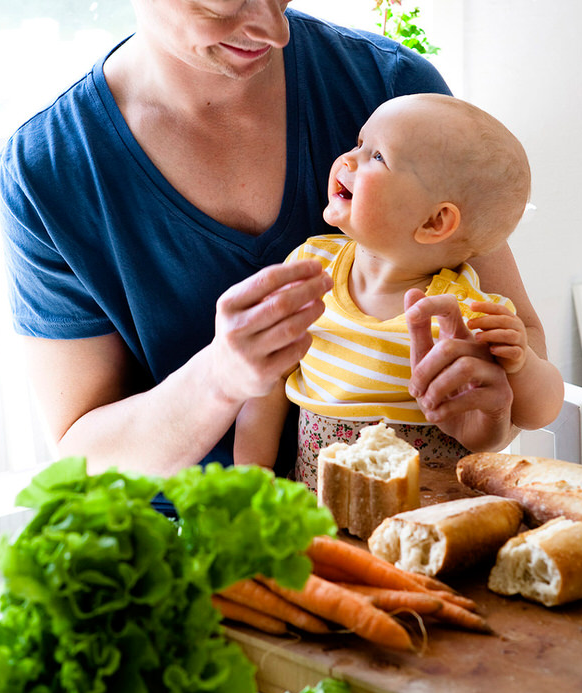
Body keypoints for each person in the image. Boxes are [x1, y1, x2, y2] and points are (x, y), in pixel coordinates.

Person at [0, 0, 551, 487]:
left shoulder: (392, 95)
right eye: (225, 4)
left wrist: (486, 402)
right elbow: (83, 456)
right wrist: (223, 376)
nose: (274, 27)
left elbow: (518, 355)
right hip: (198, 554)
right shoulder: (53, 173)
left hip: (400, 527)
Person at [233, 93, 564, 484]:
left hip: (431, 520)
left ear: (435, 222)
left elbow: (539, 413)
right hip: (317, 507)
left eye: (377, 157)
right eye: (359, 144)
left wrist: (521, 363)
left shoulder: (464, 313)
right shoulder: (309, 268)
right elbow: (266, 385)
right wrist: (252, 481)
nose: (347, 160)